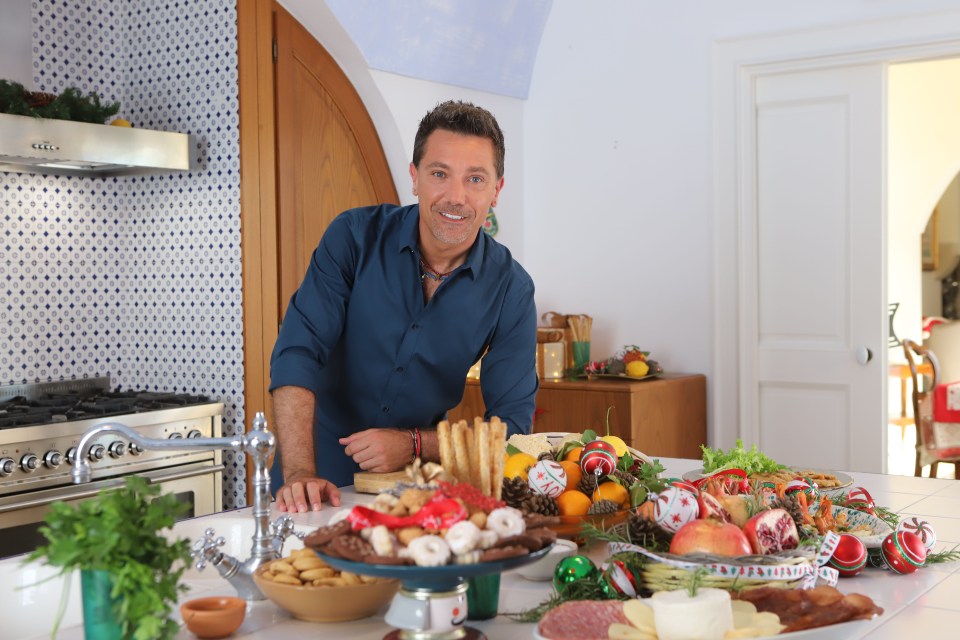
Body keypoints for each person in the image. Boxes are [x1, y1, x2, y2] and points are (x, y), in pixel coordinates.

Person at [269, 100, 539, 512]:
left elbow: (512, 429)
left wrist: (415, 445)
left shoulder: (512, 289)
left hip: (415, 493)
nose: (456, 197)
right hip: (310, 483)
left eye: (476, 179)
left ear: (496, 191)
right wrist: (300, 473)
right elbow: (296, 355)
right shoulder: (353, 238)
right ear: (414, 177)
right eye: (439, 174)